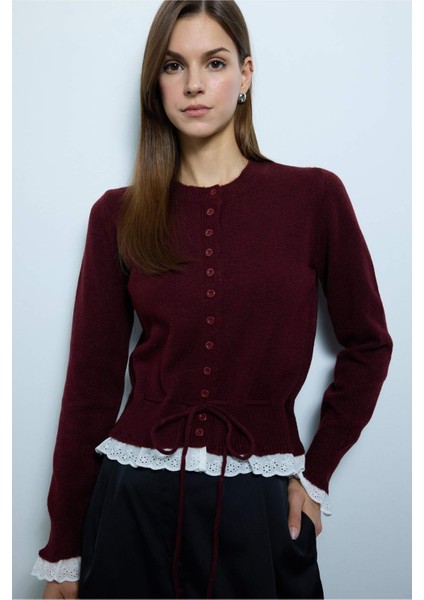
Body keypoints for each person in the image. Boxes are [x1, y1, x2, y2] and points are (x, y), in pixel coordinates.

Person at [31, 0, 393, 598]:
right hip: (133, 504)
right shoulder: (117, 214)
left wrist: (316, 474)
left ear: (246, 74)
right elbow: (90, 388)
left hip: (260, 504)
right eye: (173, 65)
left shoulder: (313, 198)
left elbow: (369, 345)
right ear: (156, 82)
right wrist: (64, 548)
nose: (194, 84)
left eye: (215, 62)